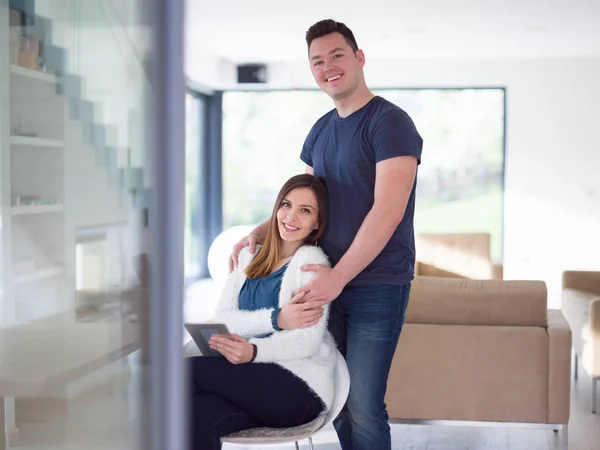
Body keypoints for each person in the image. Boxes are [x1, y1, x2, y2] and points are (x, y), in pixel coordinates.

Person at [229, 19, 423, 450]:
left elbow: (387, 212)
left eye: (337, 56)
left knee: (365, 405)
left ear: (359, 58)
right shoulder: (320, 129)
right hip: (324, 281)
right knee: (332, 398)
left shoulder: (390, 123)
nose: (328, 67)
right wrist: (259, 233)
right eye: (317, 61)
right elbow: (306, 199)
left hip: (378, 284)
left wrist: (338, 278)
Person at [187, 174, 338, 450]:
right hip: (251, 384)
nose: (291, 217)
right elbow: (223, 318)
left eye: (305, 211)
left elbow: (306, 341)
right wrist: (276, 319)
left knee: (183, 373)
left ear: (317, 223)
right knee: (199, 414)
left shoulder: (311, 263)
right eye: (286, 205)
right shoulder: (249, 256)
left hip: (298, 389)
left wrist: (253, 351)